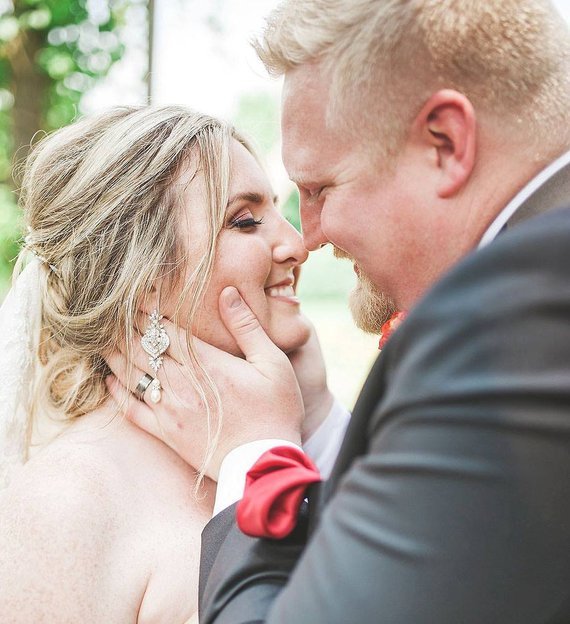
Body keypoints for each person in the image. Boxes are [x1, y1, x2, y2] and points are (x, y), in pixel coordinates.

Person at [105, 1, 570, 622]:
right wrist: (318, 423)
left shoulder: (515, 322)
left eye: (320, 189)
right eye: (249, 218)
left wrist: (258, 455)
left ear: (446, 142)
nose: (307, 237)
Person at [0, 105, 343, 623]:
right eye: (245, 220)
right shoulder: (66, 501)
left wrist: (308, 418)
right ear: (144, 280)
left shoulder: (286, 434)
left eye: (278, 210)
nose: (296, 243)